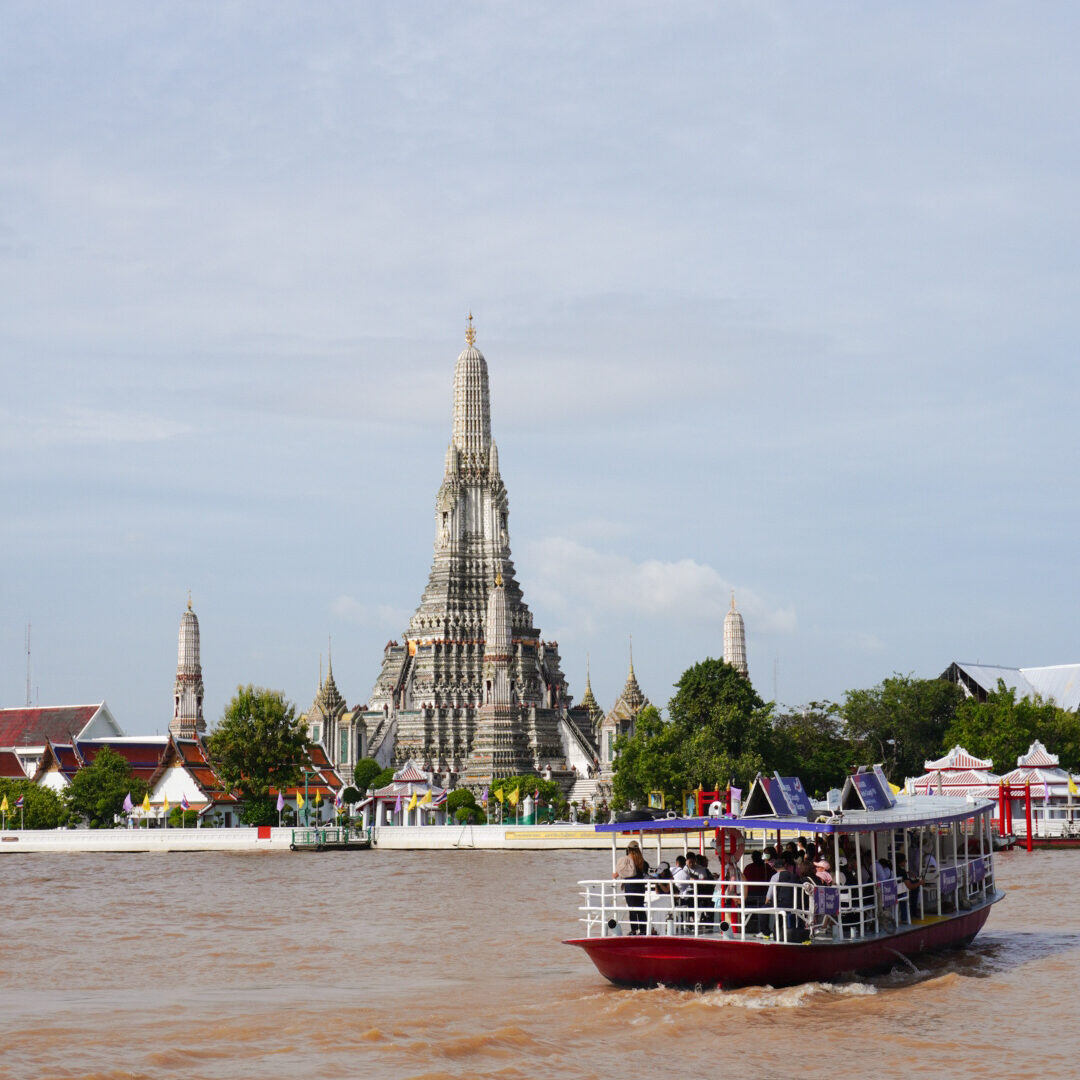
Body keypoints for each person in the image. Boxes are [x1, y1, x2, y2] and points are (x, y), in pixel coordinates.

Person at [613, 840, 650, 935]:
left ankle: (633, 930)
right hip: (640, 887)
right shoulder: (642, 862)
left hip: (630, 887)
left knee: (632, 909)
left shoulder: (627, 860)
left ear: (628, 849)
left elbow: (616, 875)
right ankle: (643, 930)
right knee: (640, 908)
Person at [741, 850, 771, 934]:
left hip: (751, 894)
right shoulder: (767, 867)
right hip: (763, 894)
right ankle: (763, 928)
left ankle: (749, 927)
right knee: (764, 911)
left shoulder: (748, 867)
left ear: (752, 858)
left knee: (749, 910)